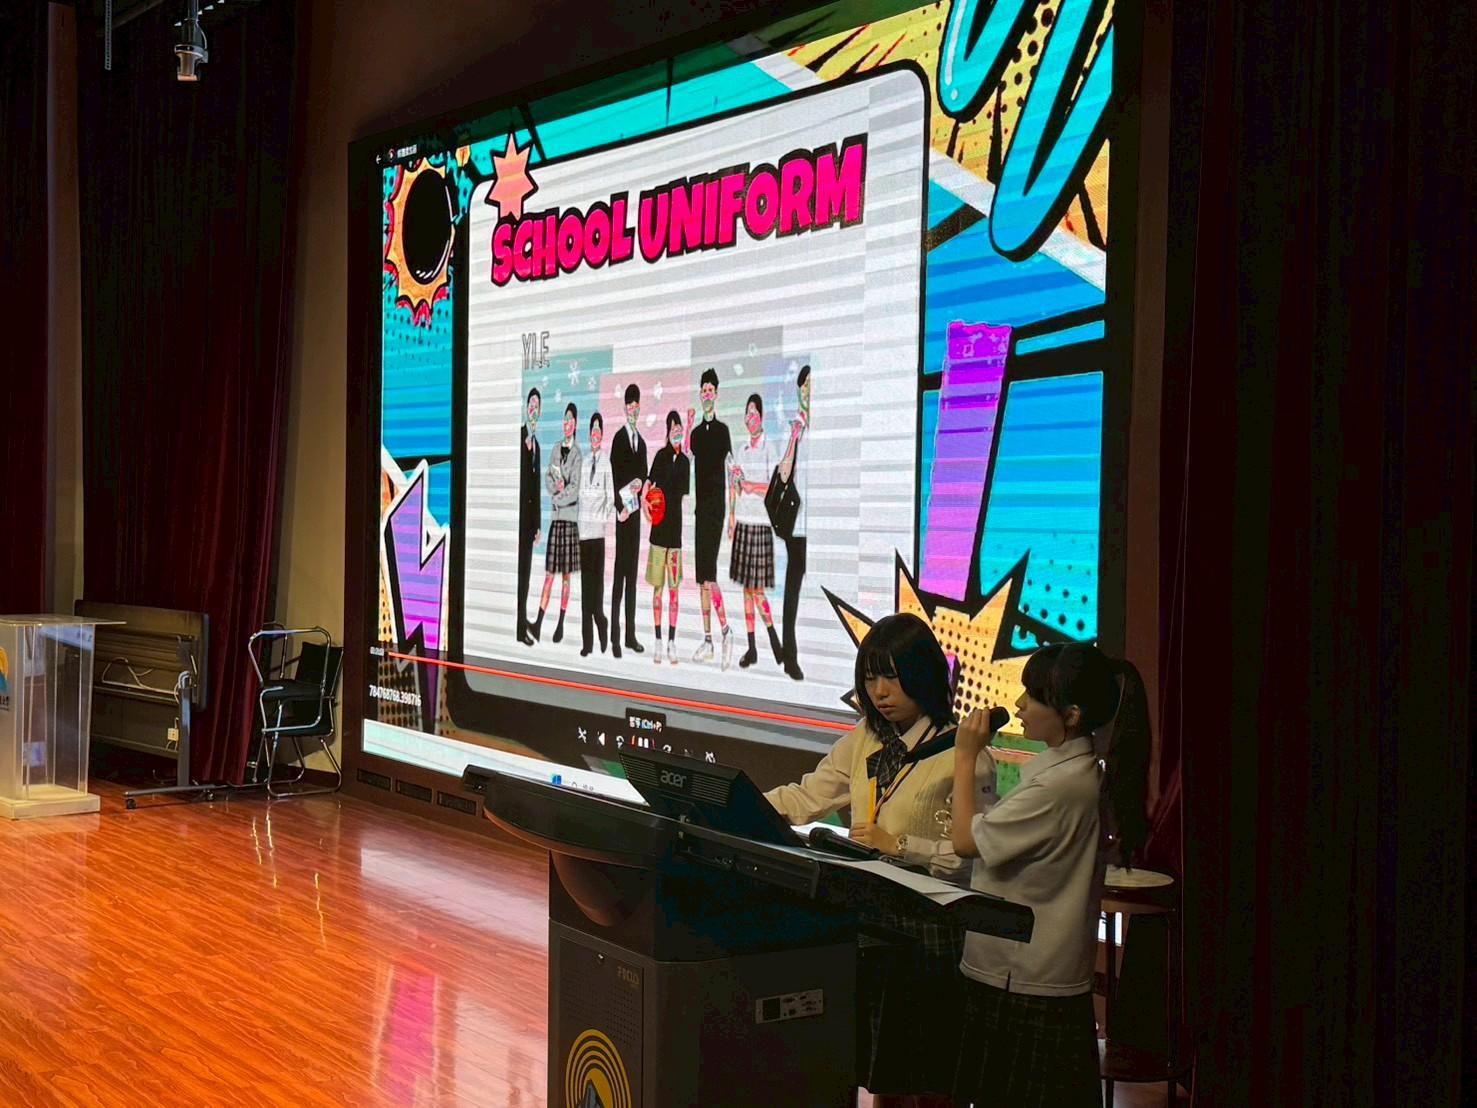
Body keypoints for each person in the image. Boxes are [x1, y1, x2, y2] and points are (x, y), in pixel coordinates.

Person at [765, 613, 996, 1105]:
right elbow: (808, 796)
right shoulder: (865, 737)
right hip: (868, 921)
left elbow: (970, 858)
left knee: (931, 1082)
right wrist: (739, 800)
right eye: (870, 678)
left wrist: (900, 845)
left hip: (928, 931)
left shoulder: (963, 751)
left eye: (892, 676)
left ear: (924, 675)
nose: (879, 692)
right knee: (877, 1075)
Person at [949, 642, 1151, 1108]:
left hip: (1024, 976)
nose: (1019, 704)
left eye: (1033, 696)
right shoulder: (1077, 773)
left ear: (1072, 715)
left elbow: (965, 842)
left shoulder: (1059, 785)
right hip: (1036, 972)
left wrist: (964, 757)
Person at [686, 368, 736, 668]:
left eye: (710, 390)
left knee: (709, 575)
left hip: (716, 509)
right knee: (701, 579)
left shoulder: (723, 431)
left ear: (716, 394)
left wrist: (732, 515)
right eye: (703, 389)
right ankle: (708, 639)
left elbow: (732, 471)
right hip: (700, 510)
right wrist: (687, 423)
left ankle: (726, 631)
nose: (706, 394)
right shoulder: (694, 434)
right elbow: (685, 457)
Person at [728, 393, 783, 669]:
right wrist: (733, 509)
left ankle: (774, 640)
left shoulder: (769, 448)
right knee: (746, 591)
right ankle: (752, 648)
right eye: (747, 414)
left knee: (756, 589)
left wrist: (752, 486)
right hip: (743, 523)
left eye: (755, 413)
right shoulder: (741, 450)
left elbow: (774, 487)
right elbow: (737, 489)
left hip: (761, 524)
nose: (751, 418)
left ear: (762, 417)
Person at [531, 402, 582, 643]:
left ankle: (560, 624)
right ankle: (538, 623)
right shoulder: (554, 449)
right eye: (564, 419)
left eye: (570, 420)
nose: (566, 424)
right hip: (556, 521)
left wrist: (557, 498)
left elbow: (574, 489)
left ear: (576, 424)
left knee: (566, 577)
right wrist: (555, 491)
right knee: (549, 574)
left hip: (569, 521)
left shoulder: (577, 454)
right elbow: (549, 478)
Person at [644, 410, 691, 665]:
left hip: (675, 537)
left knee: (674, 592)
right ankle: (658, 641)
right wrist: (644, 502)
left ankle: (672, 641)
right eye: (673, 427)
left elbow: (681, 492)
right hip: (657, 535)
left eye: (679, 427)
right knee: (658, 590)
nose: (677, 430)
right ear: (667, 431)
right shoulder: (660, 456)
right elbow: (648, 484)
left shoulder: (684, 461)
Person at [776, 364, 810, 681]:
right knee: (793, 590)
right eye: (804, 385)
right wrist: (793, 437)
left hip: (821, 524)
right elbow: (784, 474)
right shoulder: (796, 431)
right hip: (798, 526)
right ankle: (790, 655)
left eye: (812, 384)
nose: (808, 390)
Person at [609, 383, 648, 657]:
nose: (633, 410)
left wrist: (640, 483)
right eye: (629, 406)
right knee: (619, 577)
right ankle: (614, 635)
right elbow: (612, 477)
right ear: (624, 408)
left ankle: (630, 635)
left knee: (632, 577)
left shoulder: (642, 443)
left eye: (636, 406)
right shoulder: (619, 439)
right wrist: (618, 507)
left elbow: (643, 475)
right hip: (622, 515)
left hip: (635, 518)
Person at [576, 411, 612, 657]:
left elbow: (610, 497)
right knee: (585, 592)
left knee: (596, 592)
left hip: (597, 535)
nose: (595, 435)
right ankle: (587, 643)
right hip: (583, 535)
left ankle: (602, 622)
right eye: (593, 431)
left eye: (599, 431)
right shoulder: (584, 462)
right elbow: (579, 495)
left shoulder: (606, 463)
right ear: (589, 435)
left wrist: (601, 517)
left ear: (602, 435)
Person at [516, 387, 542, 646]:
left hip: (528, 526)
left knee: (525, 575)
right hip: (516, 521)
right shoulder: (519, 437)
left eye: (537, 406)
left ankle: (522, 622)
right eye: (530, 404)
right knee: (518, 575)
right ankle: (518, 627)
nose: (533, 409)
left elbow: (536, 488)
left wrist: (538, 526)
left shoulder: (538, 445)